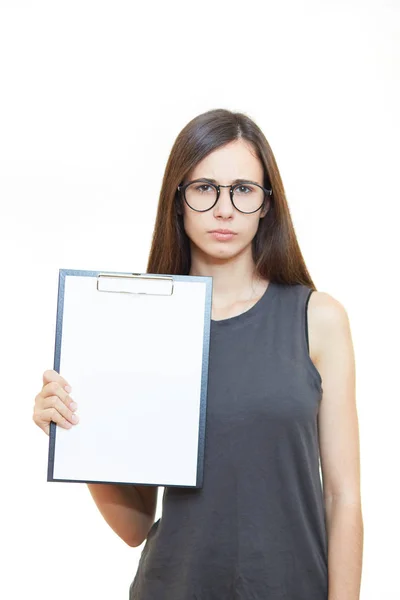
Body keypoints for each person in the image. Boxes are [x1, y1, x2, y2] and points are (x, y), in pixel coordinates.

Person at [33, 108, 363, 599]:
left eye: (243, 190)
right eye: (204, 188)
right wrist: (75, 431)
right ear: (179, 201)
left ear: (267, 205)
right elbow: (134, 525)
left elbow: (343, 496)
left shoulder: (319, 318)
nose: (224, 208)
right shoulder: (138, 326)